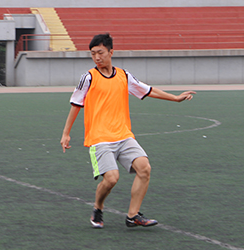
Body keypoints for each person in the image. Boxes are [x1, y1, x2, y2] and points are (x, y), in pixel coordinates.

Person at [60, 33, 195, 229]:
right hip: (100, 138)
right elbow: (75, 104)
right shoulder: (88, 77)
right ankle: (98, 207)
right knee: (111, 179)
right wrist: (66, 133)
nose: (97, 57)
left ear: (111, 52)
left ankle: (133, 216)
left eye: (100, 52)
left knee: (144, 168)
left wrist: (175, 98)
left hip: (123, 135)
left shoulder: (124, 75)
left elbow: (148, 90)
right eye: (93, 54)